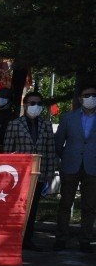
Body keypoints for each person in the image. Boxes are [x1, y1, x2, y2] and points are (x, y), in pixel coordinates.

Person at [3, 91, 57, 251]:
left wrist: (49, 173)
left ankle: (27, 239)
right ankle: (12, 238)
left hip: (38, 173)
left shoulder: (46, 124)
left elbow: (50, 150)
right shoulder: (15, 124)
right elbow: (7, 150)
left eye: (39, 104)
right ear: (25, 105)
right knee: (16, 208)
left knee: (32, 208)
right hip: (18, 174)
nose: (36, 106)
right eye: (32, 103)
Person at [53, 84, 96, 253]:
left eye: (93, 94)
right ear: (80, 99)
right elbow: (58, 142)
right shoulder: (68, 118)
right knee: (65, 203)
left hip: (92, 167)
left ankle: (85, 240)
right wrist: (67, 156)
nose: (91, 98)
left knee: (90, 206)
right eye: (87, 95)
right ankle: (61, 238)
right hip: (70, 165)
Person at [0, 87, 16, 151]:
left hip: (8, 153)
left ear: (10, 100)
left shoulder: (15, 119)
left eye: (4, 97)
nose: (0, 99)